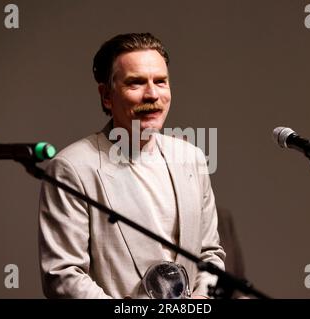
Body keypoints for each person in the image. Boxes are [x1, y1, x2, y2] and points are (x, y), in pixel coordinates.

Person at [38, 33, 225, 299]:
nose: (152, 94)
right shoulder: (72, 168)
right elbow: (63, 275)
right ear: (106, 96)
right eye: (135, 83)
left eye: (160, 81)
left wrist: (201, 299)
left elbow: (210, 253)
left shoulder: (191, 157)